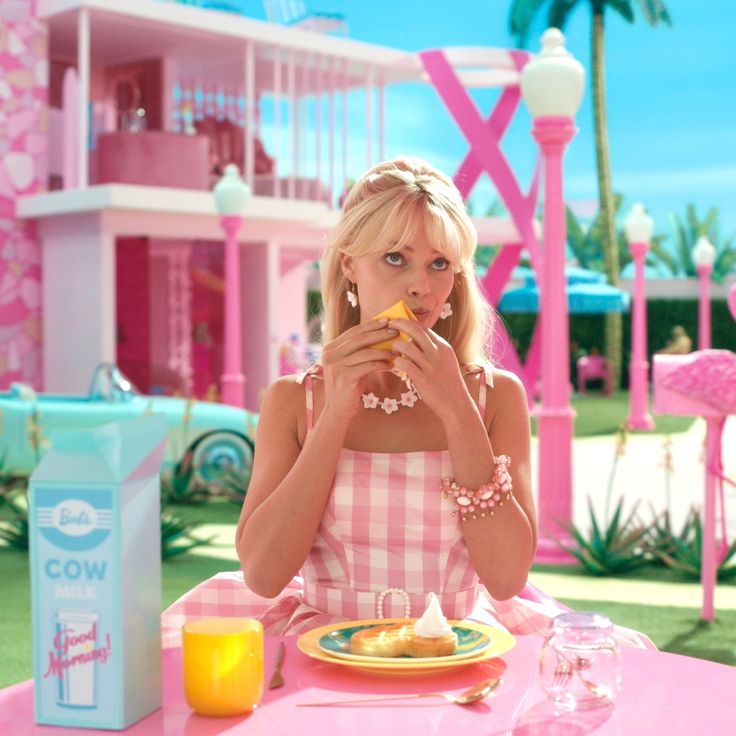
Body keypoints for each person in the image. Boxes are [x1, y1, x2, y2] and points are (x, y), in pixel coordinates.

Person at [162, 157, 653, 648]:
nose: (421, 286)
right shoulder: (294, 401)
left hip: (461, 648)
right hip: (323, 648)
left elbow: (505, 579)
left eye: (439, 263)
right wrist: (334, 414)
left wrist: (458, 409)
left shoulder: (496, 397)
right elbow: (264, 576)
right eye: (396, 257)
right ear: (350, 263)